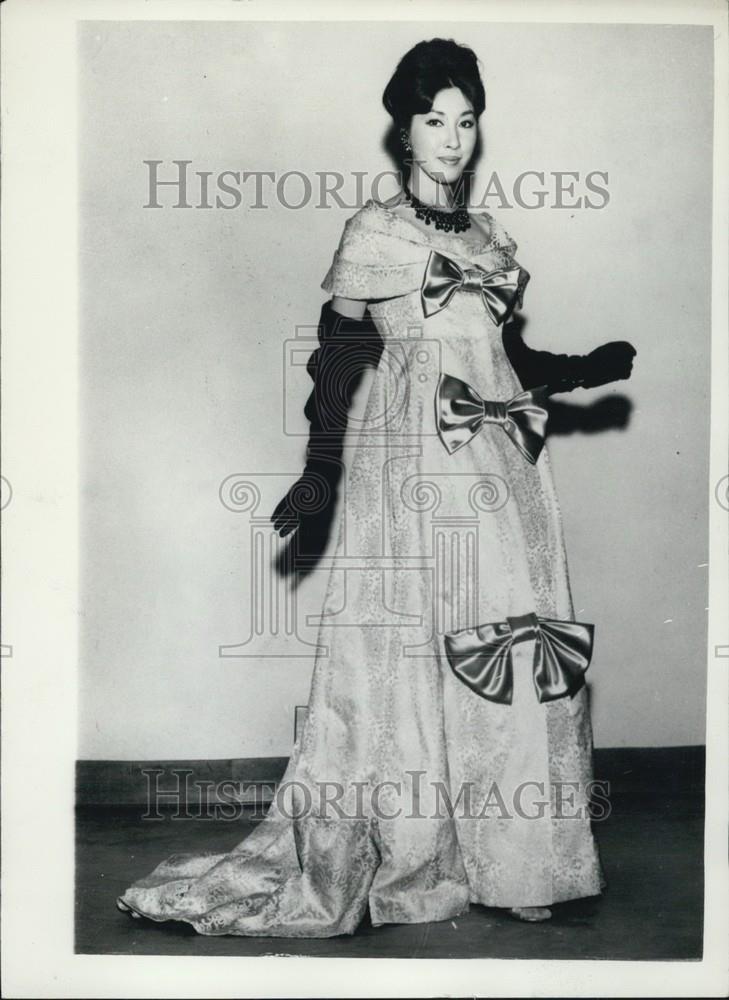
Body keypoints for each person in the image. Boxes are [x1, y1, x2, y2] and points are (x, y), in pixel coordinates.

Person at [116, 37, 635, 935]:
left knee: (510, 646)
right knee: (406, 661)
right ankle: (414, 851)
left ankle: (516, 862)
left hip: (502, 467)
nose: (451, 137)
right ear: (402, 130)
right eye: (434, 119)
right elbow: (342, 353)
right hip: (411, 468)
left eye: (465, 120)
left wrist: (579, 367)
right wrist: (319, 472)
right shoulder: (374, 232)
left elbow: (505, 357)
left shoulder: (491, 241)